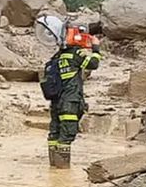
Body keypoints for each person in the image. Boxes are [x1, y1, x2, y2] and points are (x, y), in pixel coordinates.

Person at [36, 15, 102, 169]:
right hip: (70, 101)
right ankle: (62, 171)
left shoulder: (57, 58)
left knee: (54, 133)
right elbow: (93, 64)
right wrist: (96, 48)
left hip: (56, 103)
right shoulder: (75, 55)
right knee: (66, 136)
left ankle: (53, 168)